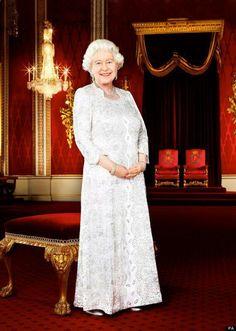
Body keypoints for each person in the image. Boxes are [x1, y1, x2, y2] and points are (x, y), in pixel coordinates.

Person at [73, 39, 162, 316]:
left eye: (109, 61)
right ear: (89, 67)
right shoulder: (84, 95)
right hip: (103, 179)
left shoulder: (127, 97)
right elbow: (83, 140)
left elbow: (142, 133)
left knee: (130, 234)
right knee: (105, 235)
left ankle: (133, 293)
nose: (104, 67)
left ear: (118, 64)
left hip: (132, 180)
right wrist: (114, 167)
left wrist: (141, 162)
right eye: (98, 63)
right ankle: (100, 298)